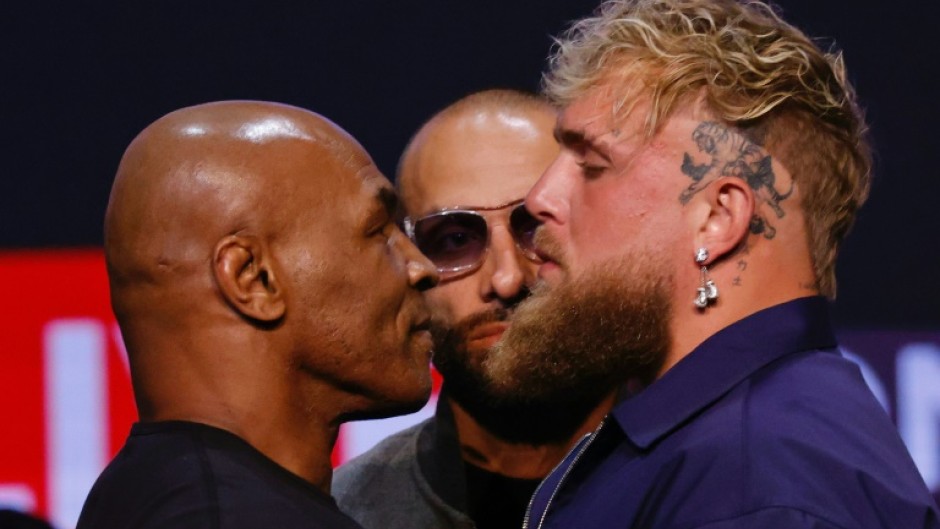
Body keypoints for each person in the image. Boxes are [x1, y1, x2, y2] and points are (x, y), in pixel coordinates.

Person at [482, 1, 940, 528]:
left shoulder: (758, 486)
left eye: (591, 164)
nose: (539, 197)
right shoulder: (734, 449)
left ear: (718, 218)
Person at [76, 100, 439, 529]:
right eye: (378, 230)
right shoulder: (231, 517)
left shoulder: (158, 498)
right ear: (254, 279)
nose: (422, 267)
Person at [333, 90, 617, 529]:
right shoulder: (342, 516)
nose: (507, 279)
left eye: (537, 227)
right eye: (455, 240)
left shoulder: (717, 483)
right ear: (409, 265)